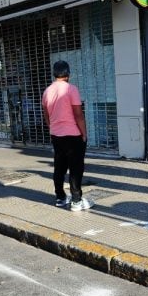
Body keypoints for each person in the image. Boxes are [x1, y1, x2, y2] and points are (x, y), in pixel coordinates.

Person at [42, 60, 93, 211]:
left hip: (56, 135)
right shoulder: (71, 89)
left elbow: (46, 116)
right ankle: (76, 201)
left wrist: (53, 128)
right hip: (73, 135)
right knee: (76, 168)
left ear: (54, 74)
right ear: (68, 73)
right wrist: (84, 133)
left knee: (59, 167)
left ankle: (60, 197)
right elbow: (78, 115)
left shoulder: (47, 91)